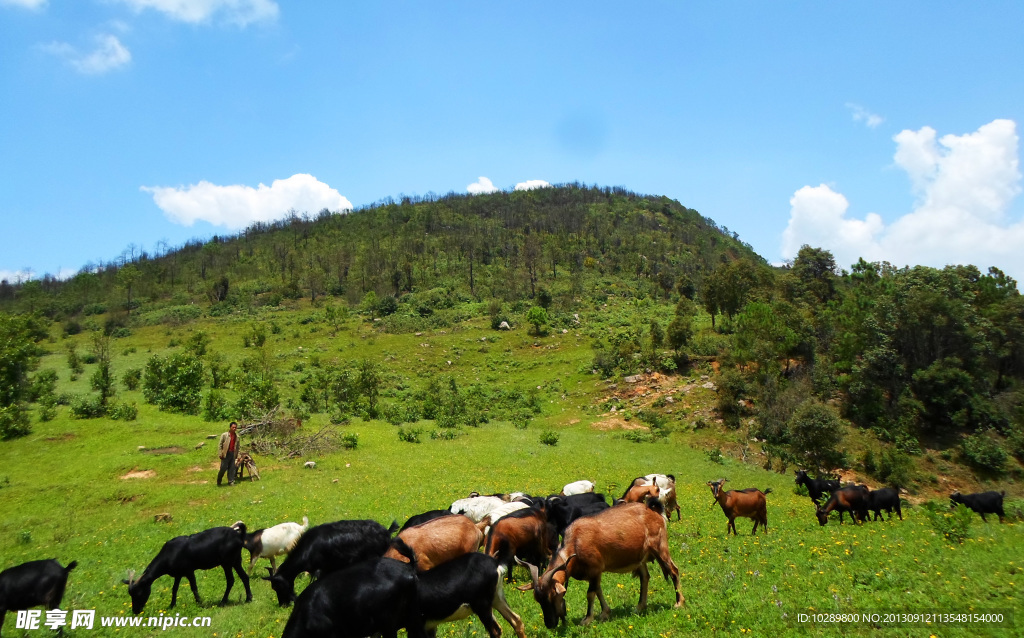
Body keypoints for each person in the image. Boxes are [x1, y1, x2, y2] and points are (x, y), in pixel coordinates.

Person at [217, 421, 239, 486]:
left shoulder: (237, 436)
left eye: (235, 427)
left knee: (232, 468)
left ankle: (231, 481)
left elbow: (238, 447)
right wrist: (220, 454)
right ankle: (219, 480)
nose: (234, 429)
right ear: (230, 427)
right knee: (223, 468)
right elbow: (220, 445)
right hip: (225, 453)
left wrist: (238, 455)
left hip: (232, 453)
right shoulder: (225, 435)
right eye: (233, 427)